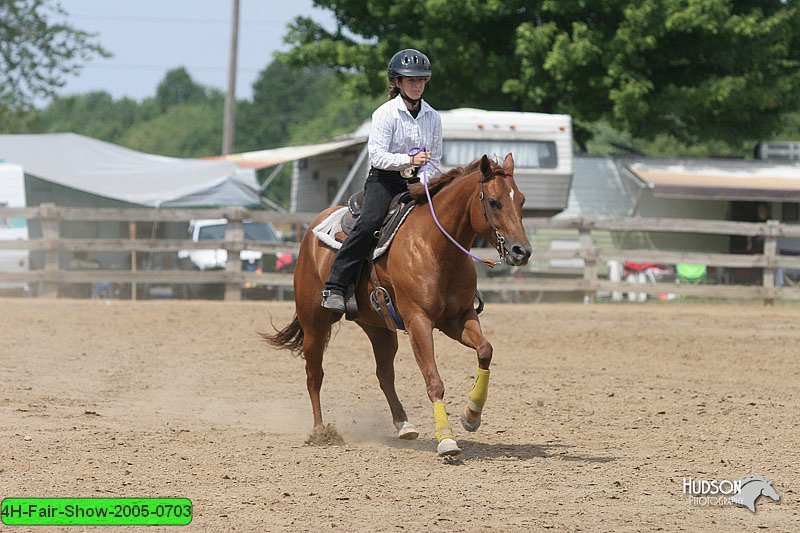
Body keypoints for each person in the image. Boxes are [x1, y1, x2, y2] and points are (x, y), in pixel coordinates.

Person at [321, 48, 443, 313]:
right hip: (384, 181)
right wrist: (409, 162)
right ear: (397, 82)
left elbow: (434, 159)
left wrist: (424, 182)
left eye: (421, 80)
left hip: (418, 182)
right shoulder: (385, 114)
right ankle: (335, 285)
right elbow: (377, 156)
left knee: (445, 220)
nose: (417, 85)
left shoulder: (433, 117)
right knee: (368, 224)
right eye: (411, 80)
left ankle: (454, 286)